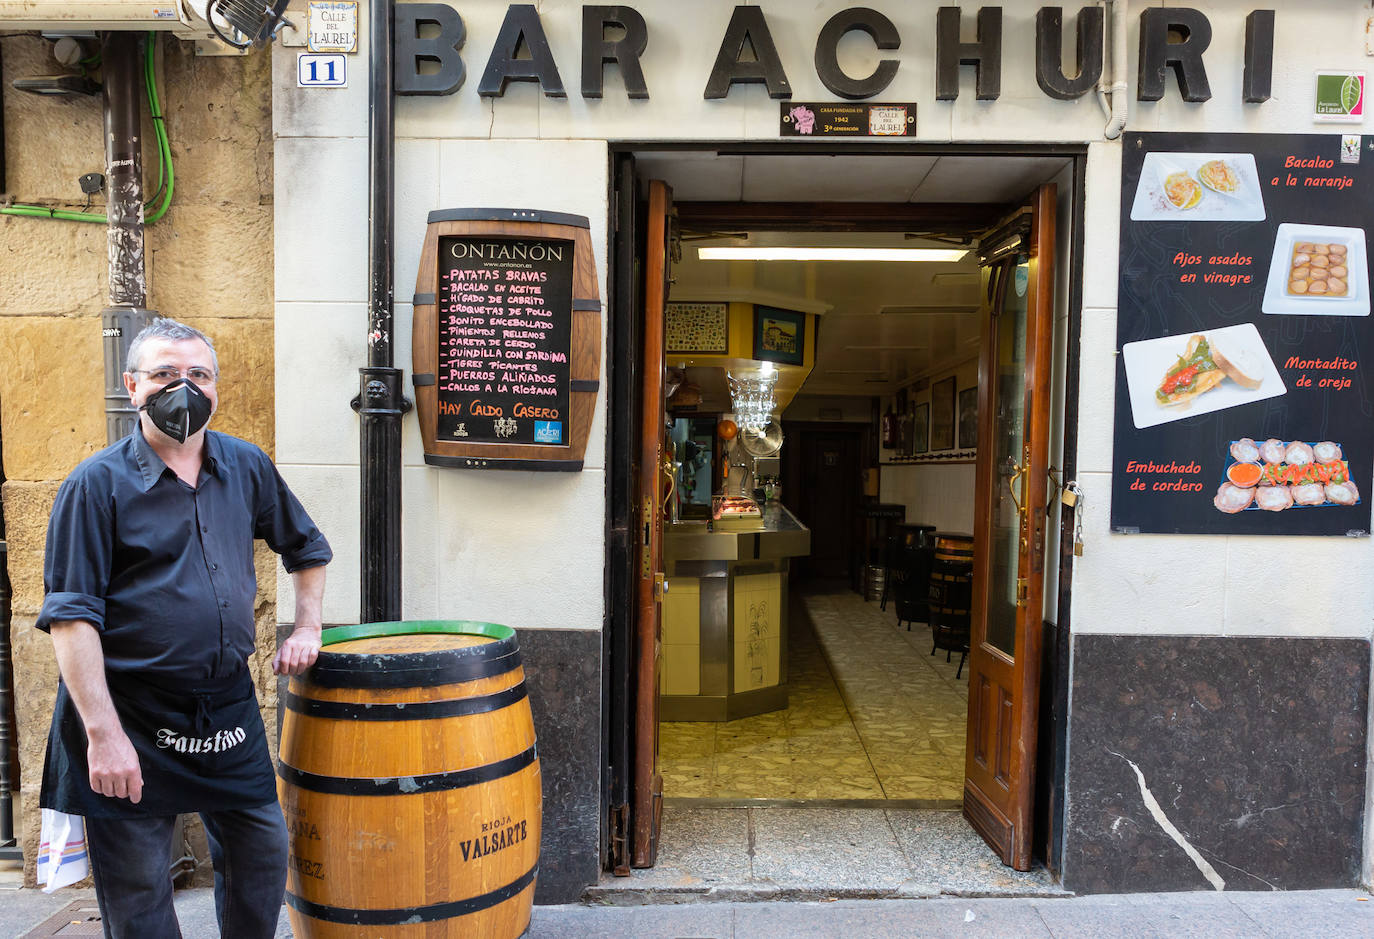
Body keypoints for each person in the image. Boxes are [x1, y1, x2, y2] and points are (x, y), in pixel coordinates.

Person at [35, 317, 332, 938]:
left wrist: (308, 628)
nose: (184, 388)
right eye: (166, 374)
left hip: (226, 707)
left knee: (260, 854)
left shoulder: (246, 465)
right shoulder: (94, 486)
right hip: (131, 714)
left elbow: (306, 548)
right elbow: (70, 618)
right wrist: (102, 735)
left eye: (198, 374)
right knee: (139, 889)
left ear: (217, 387)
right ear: (132, 384)